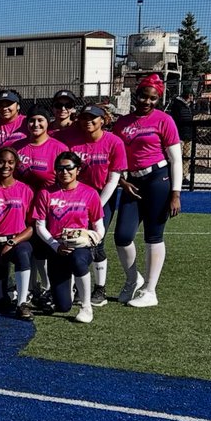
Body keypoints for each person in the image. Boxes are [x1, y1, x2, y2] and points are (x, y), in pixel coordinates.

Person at [112, 73, 183, 308]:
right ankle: (133, 279)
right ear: (137, 95)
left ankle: (150, 291)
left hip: (157, 179)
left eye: (153, 98)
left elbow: (176, 159)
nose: (147, 101)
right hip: (132, 182)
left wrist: (175, 193)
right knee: (122, 236)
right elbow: (116, 158)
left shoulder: (164, 120)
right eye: (144, 96)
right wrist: (122, 182)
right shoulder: (122, 123)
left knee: (154, 235)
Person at [31, 152, 105, 323]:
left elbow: (98, 226)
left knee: (78, 261)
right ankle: (67, 288)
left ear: (78, 170)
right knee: (63, 306)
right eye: (60, 169)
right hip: (57, 248)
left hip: (80, 247)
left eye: (69, 168)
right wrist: (56, 246)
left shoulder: (90, 193)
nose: (64, 172)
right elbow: (40, 226)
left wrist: (93, 238)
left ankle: (86, 306)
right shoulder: (45, 193)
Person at [68, 104, 126, 307]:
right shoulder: (73, 142)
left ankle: (100, 289)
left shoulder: (114, 142)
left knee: (96, 241)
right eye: (84, 117)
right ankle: (77, 287)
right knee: (74, 241)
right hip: (74, 199)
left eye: (93, 117)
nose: (88, 121)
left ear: (103, 120)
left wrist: (96, 206)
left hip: (102, 199)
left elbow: (113, 179)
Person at [0, 148, 36, 319]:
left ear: (16, 164)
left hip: (17, 242)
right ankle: (8, 291)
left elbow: (32, 226)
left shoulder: (25, 190)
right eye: (1, 162)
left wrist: (13, 242)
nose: (6, 166)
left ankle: (22, 303)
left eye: (10, 162)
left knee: (23, 253)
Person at [12, 104, 70, 190]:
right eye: (32, 120)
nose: (36, 124)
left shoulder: (60, 149)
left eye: (40, 120)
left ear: (48, 122)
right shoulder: (16, 146)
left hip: (47, 196)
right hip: (19, 196)